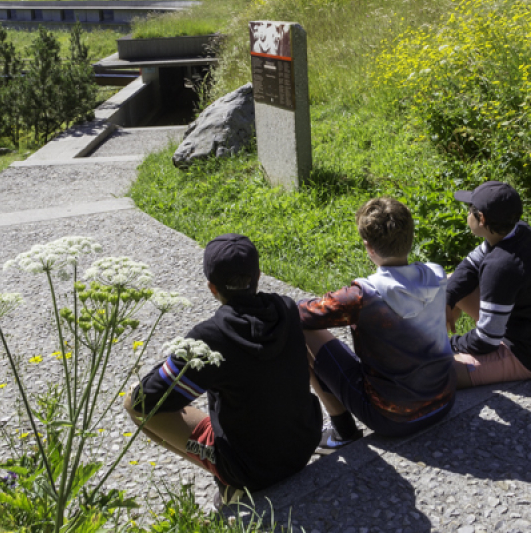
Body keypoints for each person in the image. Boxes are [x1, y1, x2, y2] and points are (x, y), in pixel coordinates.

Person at [124, 234, 322, 506]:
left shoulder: (210, 337)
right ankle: (228, 475)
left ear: (211, 287)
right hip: (303, 446)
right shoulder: (286, 308)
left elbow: (145, 399)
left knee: (133, 403)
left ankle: (230, 481)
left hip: (251, 469)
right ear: (258, 276)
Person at [299, 197, 456, 453]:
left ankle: (343, 432)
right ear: (411, 239)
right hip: (444, 401)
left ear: (368, 247)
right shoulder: (436, 274)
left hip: (392, 418)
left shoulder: (362, 295)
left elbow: (301, 314)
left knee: (305, 330)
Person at [446, 181, 531, 389]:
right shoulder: (516, 230)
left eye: (470, 210)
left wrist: (449, 346)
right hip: (520, 327)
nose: (468, 214)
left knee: (436, 373)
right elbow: (470, 264)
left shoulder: (502, 266)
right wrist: (447, 298)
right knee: (451, 281)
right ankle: (437, 338)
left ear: (482, 219)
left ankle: (438, 349)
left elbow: (486, 341)